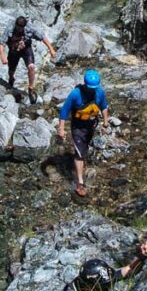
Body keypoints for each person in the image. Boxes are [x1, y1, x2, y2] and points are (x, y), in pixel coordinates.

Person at [59, 238, 147, 291]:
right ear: (88, 286)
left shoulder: (105, 278)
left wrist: (142, 256)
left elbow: (129, 270)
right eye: (102, 286)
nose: (108, 285)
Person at [58, 69, 109, 197]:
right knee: (79, 153)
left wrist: (106, 120)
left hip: (91, 124)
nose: (92, 90)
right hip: (78, 126)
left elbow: (104, 106)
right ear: (85, 84)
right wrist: (61, 128)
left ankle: (81, 161)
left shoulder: (100, 93)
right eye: (90, 88)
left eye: (94, 88)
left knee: (85, 147)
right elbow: (64, 111)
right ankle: (80, 182)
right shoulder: (75, 94)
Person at [0, 16, 56, 103]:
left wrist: (51, 49)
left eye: (20, 28)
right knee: (11, 70)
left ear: (24, 26)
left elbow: (42, 37)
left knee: (31, 67)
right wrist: (2, 56)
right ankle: (11, 79)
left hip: (26, 49)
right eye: (17, 27)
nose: (18, 29)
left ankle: (31, 89)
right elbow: (1, 43)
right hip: (14, 50)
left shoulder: (30, 27)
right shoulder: (10, 28)